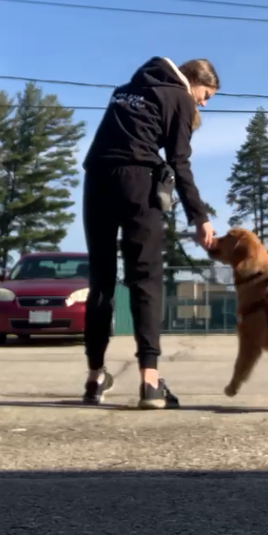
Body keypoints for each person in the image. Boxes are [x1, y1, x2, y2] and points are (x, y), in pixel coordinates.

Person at [81, 56, 219, 408]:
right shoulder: (180, 98)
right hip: (137, 182)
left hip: (97, 178)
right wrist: (199, 216)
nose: (203, 102)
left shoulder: (124, 91)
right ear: (192, 80)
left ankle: (95, 378)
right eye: (207, 94)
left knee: (101, 279)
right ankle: (149, 382)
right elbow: (179, 161)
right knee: (146, 278)